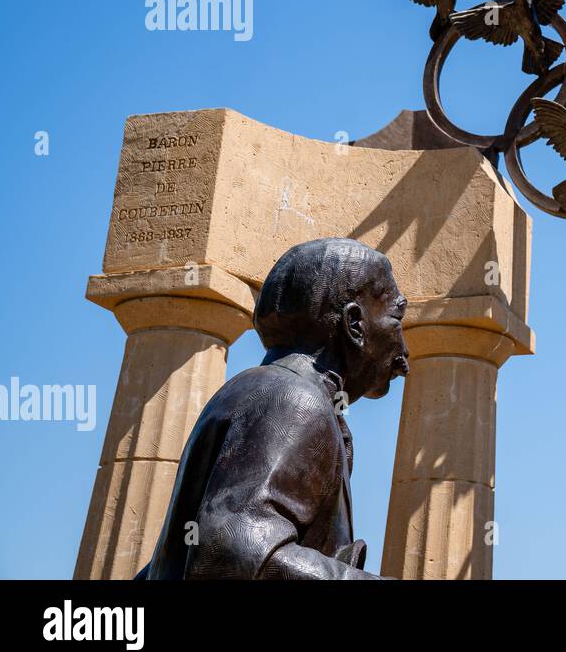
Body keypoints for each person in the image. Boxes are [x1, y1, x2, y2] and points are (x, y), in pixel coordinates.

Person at [137, 237, 409, 579]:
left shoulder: (257, 389)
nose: (404, 353)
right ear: (354, 325)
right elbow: (232, 551)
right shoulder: (293, 398)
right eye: (397, 316)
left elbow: (172, 561)